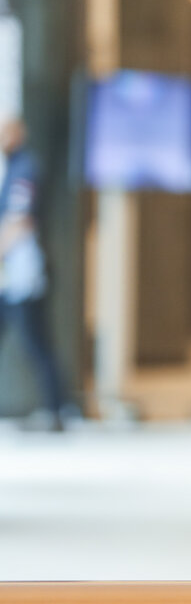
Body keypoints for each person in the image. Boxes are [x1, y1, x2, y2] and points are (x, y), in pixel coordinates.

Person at [0, 117, 76, 431]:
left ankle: (59, 409)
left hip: (23, 277)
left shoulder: (25, 168)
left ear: (19, 133)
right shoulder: (11, 168)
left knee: (38, 344)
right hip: (8, 279)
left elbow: (20, 222)